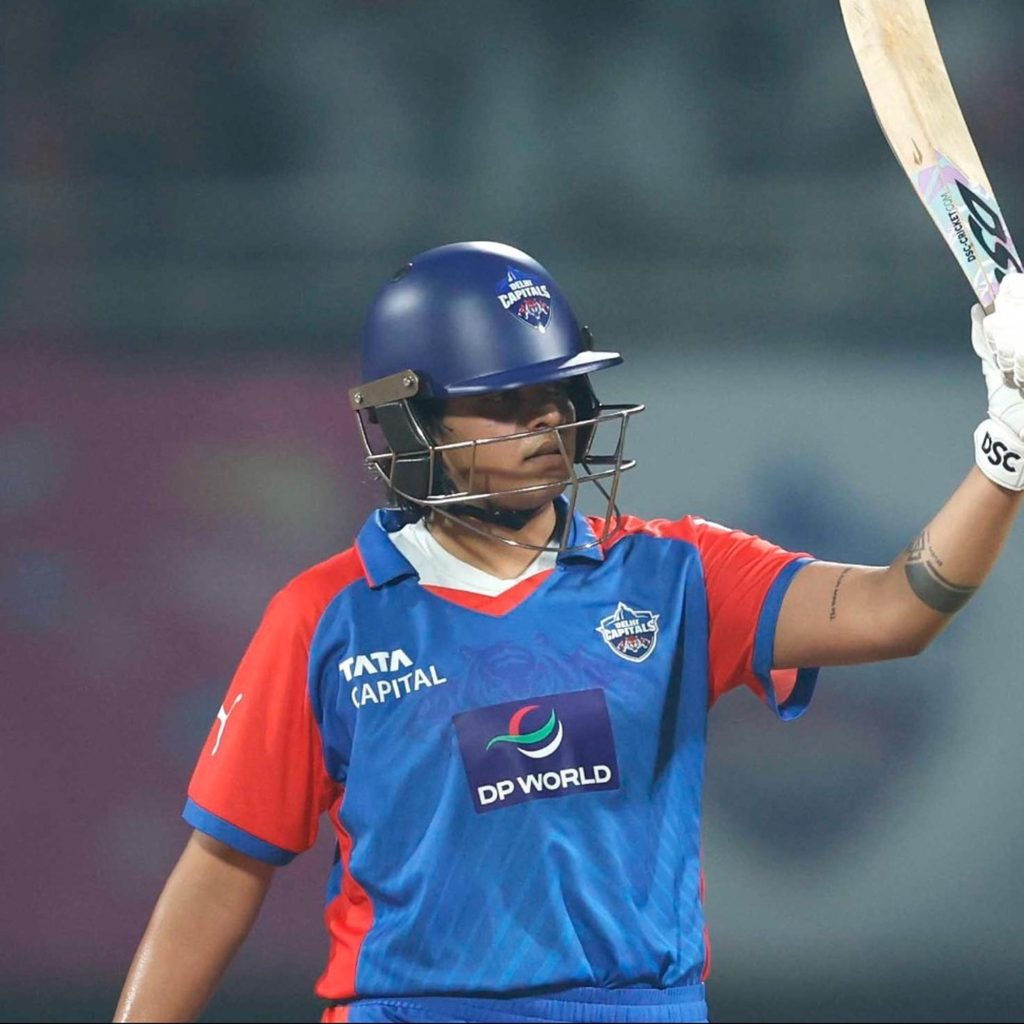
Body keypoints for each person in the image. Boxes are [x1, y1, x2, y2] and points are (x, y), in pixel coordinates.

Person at [114, 241, 1024, 1024]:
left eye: (557, 389)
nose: (546, 418)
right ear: (411, 421)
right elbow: (224, 865)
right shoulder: (327, 617)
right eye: (505, 399)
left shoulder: (677, 576)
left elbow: (897, 609)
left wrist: (1006, 454)